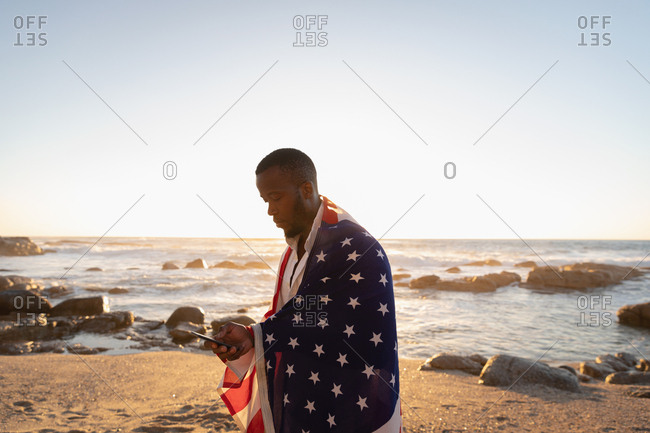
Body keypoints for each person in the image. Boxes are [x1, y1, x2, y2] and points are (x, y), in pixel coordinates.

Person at [207, 148, 402, 432]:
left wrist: (258, 335)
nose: (270, 210)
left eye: (276, 198)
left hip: (345, 400)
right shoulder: (295, 249)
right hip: (303, 391)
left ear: (307, 189)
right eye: (265, 200)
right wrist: (250, 337)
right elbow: (298, 312)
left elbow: (329, 314)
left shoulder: (356, 247)